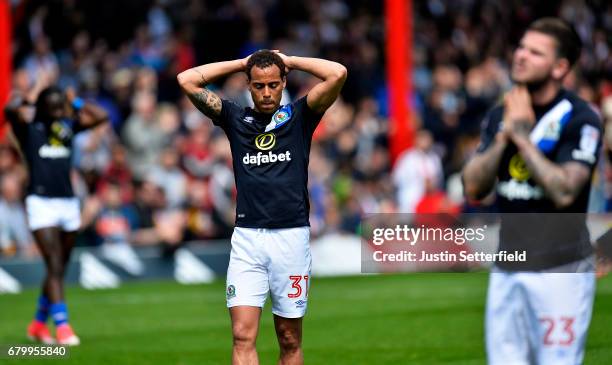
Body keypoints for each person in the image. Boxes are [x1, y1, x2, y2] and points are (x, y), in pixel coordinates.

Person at [177, 49, 346, 365]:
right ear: (248, 85)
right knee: (242, 336)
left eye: (273, 84)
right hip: (247, 240)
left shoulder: (300, 117)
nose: (266, 93)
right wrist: (241, 63)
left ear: (284, 82)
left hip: (291, 239)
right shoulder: (235, 118)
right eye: (258, 85)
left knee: (289, 339)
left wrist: (291, 61)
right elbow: (186, 80)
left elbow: (337, 73)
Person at [462, 18, 602, 364]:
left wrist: (523, 138)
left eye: (535, 52)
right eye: (522, 47)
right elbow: (473, 187)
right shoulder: (501, 115)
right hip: (508, 267)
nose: (521, 56)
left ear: (560, 67)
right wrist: (504, 136)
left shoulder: (581, 118)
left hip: (561, 271)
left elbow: (566, 191)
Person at [4, 77, 109, 345]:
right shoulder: (29, 129)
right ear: (44, 109)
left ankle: (38, 324)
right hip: (41, 202)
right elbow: (9, 109)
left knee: (58, 268)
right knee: (52, 262)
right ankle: (62, 327)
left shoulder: (66, 127)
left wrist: (74, 100)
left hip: (68, 202)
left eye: (61, 107)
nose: (61, 112)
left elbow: (100, 116)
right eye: (56, 108)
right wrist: (29, 98)